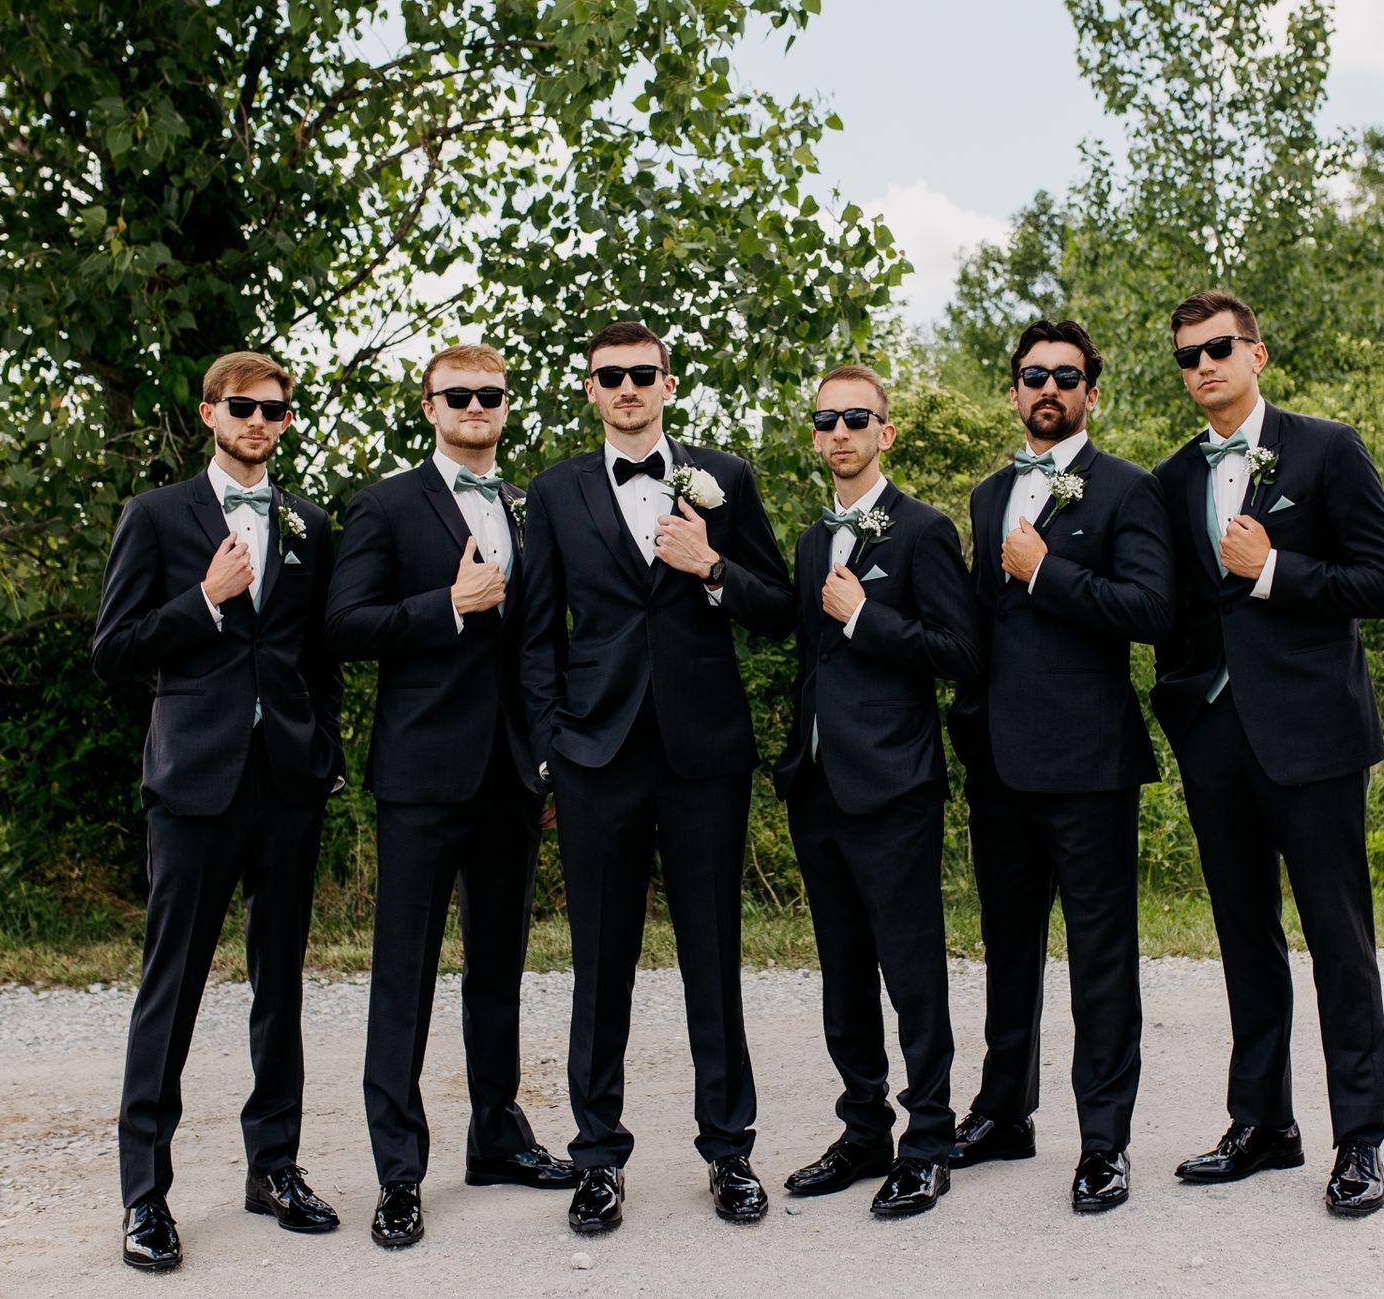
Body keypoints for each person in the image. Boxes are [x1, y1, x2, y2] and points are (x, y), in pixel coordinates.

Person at [516, 320, 796, 1232]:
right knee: (600, 963)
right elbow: (536, 634)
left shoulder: (727, 476)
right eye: (610, 376)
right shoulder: (553, 490)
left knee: (713, 955)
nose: (627, 388)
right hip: (595, 754)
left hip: (703, 753)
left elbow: (780, 608)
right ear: (590, 389)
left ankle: (729, 1150)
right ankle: (597, 1157)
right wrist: (553, 745)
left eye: (642, 373)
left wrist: (711, 566)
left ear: (668, 384)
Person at [1149, 290, 1384, 1217]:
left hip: (1315, 735)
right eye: (1188, 356)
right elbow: (1171, 608)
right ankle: (1263, 1124)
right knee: (1243, 935)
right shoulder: (1171, 477)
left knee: (1339, 938)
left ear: (1256, 354)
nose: (1203, 366)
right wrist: (1183, 708)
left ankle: (1359, 1140)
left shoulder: (1327, 449)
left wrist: (1270, 570)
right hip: (1215, 738)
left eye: (1218, 348)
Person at [92, 350, 345, 1271]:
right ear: (209, 413)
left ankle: (273, 1167)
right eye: (243, 407)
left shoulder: (311, 523)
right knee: (173, 986)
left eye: (274, 410)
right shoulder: (156, 516)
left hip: (286, 785)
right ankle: (144, 1193)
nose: (259, 422)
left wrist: (323, 753)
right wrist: (205, 599)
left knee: (280, 985)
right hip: (195, 784)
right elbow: (114, 648)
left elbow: (318, 657)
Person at [323, 344, 576, 1250]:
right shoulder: (386, 504)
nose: (476, 405)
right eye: (458, 394)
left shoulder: (529, 504)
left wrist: (549, 757)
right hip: (422, 775)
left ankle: (496, 1136)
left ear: (506, 405)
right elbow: (345, 625)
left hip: (510, 773)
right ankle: (399, 1172)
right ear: (429, 406)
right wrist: (450, 604)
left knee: (498, 968)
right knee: (405, 975)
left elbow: (543, 643)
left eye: (490, 394)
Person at [945, 320, 1173, 1212]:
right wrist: (967, 724)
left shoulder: (1128, 488)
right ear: (1013, 390)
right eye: (1034, 374)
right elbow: (979, 622)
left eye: (1066, 376)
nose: (1049, 388)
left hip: (1090, 766)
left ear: (1091, 393)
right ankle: (1005, 1111)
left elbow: (1151, 609)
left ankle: (1105, 1140)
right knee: (1009, 947)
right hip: (1000, 765)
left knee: (1100, 958)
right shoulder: (987, 494)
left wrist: (1047, 574)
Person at [773, 365, 981, 1218]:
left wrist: (865, 615)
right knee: (844, 971)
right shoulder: (809, 540)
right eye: (826, 420)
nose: (840, 433)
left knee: (911, 969)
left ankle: (928, 1139)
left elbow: (961, 652)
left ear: (885, 432)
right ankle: (864, 1130)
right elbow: (810, 658)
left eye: (856, 418)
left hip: (894, 785)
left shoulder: (924, 530)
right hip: (818, 784)